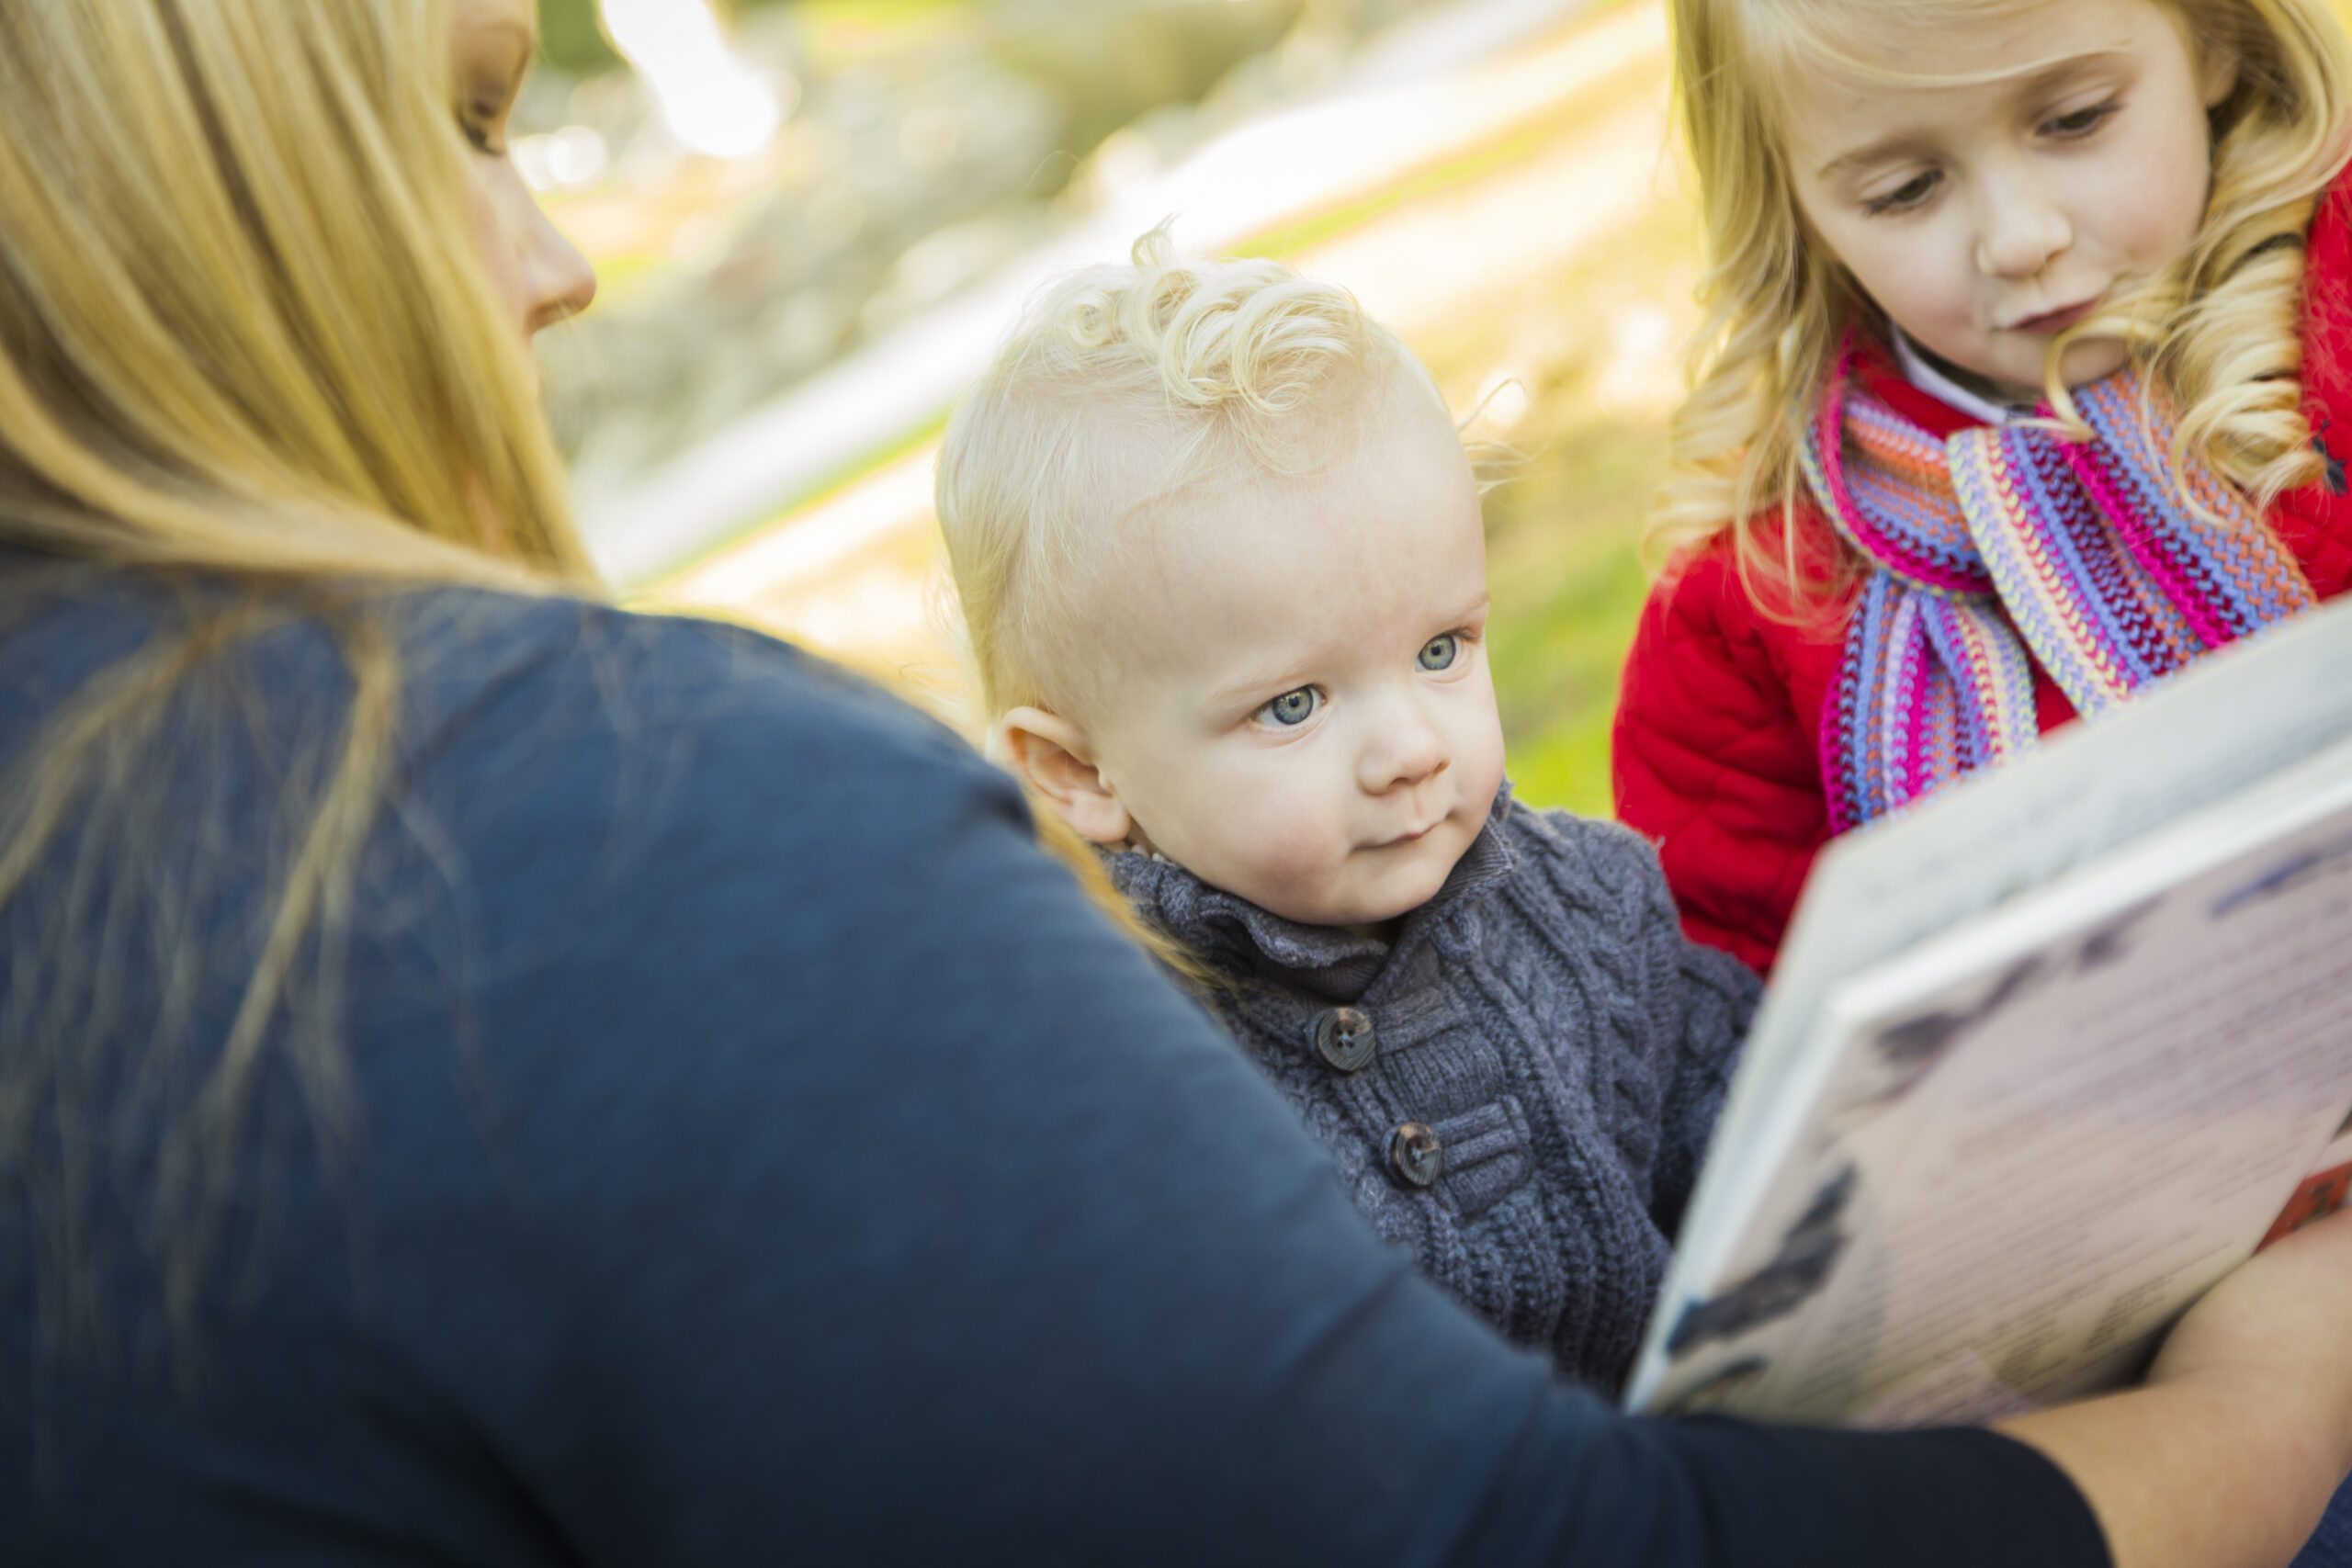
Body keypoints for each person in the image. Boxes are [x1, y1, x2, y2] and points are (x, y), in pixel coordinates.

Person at [5, 3, 2352, 1565]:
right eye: (469, 119)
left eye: (1440, 650)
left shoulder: (1565, 904)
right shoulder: (725, 892)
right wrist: (2252, 1405)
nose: (552, 264)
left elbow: (1768, 1106)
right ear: (1074, 773)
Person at [933, 239, 1761, 1396]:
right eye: (1293, 705)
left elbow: (1767, 1142)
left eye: (1439, 650)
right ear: (1077, 772)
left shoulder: (1592, 918)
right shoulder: (1111, 1068)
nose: (1411, 748)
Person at [1611, 0, 2352, 974]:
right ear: (1795, 204)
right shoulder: (1749, 617)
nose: (2018, 237)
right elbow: (1734, 1033)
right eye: (1905, 188)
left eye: (2076, 118)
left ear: (2211, 39)